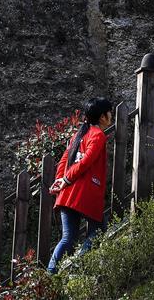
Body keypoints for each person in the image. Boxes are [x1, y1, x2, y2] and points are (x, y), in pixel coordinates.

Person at [47, 97, 113, 274]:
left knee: (68, 237)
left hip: (68, 192)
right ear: (102, 117)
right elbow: (86, 162)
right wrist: (66, 180)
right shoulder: (98, 135)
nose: (111, 115)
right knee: (98, 231)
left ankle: (50, 274)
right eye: (109, 112)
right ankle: (79, 264)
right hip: (84, 192)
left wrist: (60, 180)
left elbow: (64, 159)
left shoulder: (80, 134)